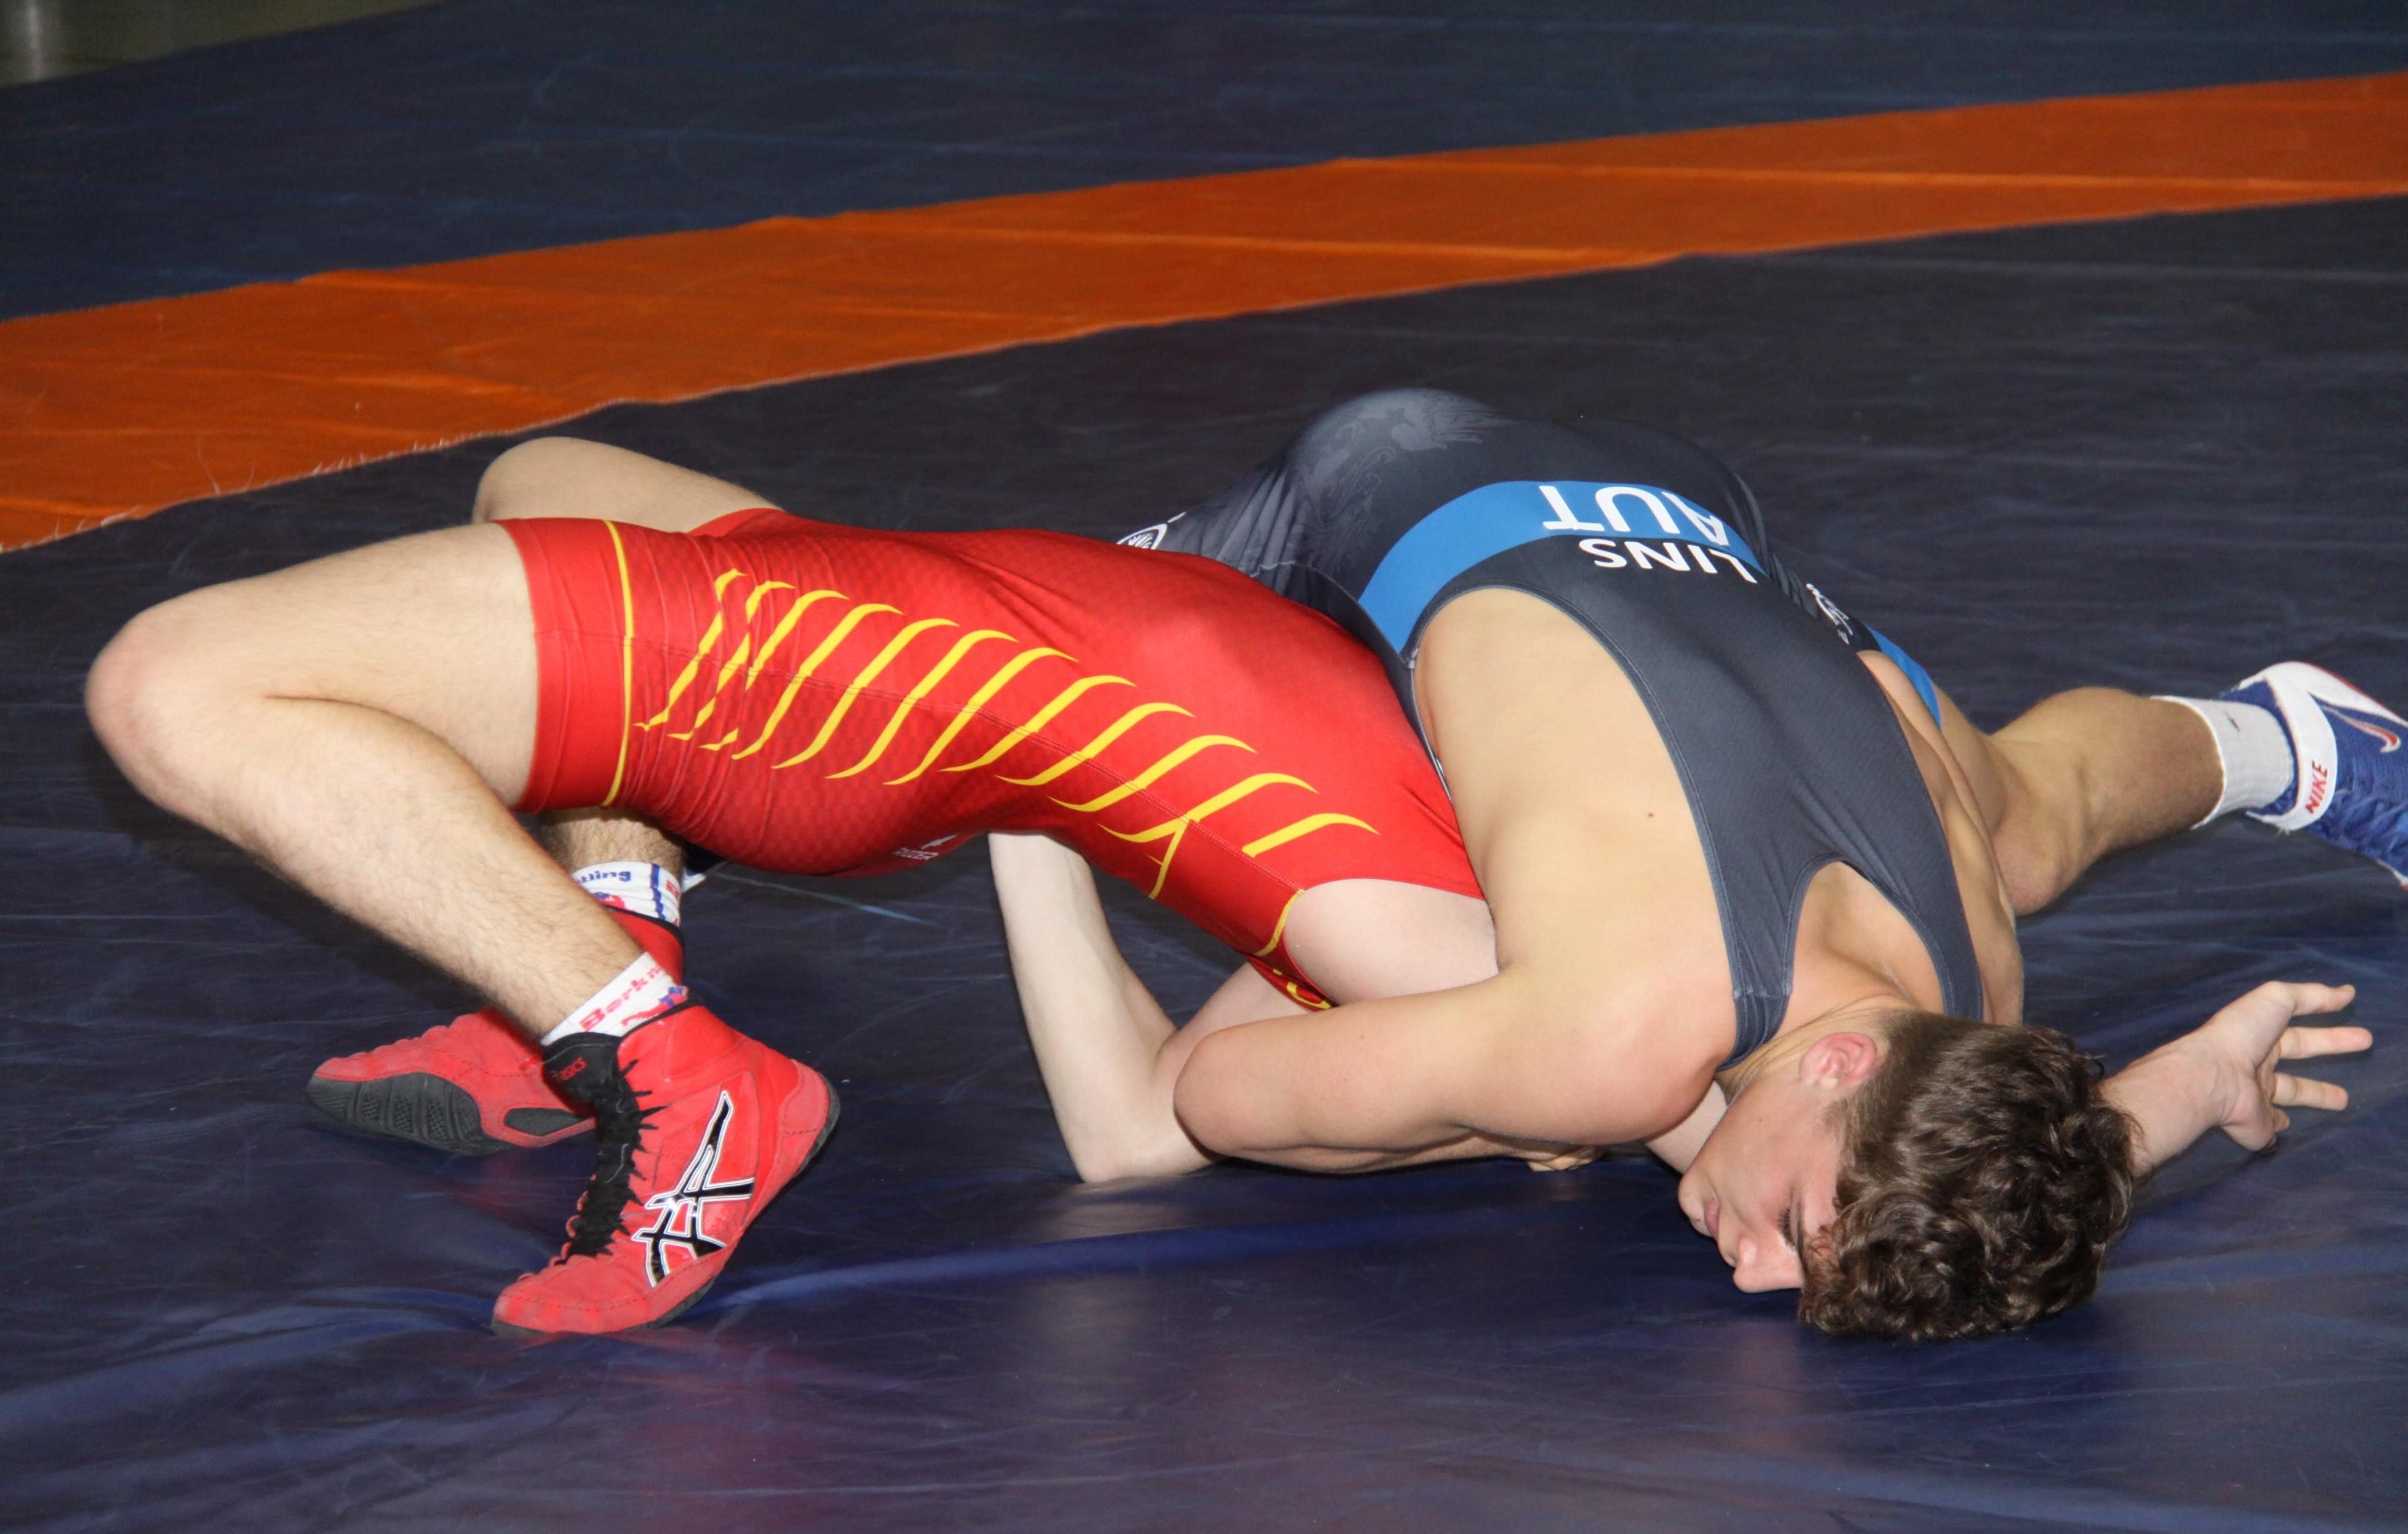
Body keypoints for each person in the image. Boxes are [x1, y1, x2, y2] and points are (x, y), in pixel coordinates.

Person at [84, 416, 2374, 1341]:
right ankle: (632, 1023)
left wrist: (2161, 1093)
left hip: (1667, 555)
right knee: (229, 669)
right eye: (1796, 1226)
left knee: (2028, 797)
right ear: (1853, 1071)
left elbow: (1898, 1117)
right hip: (1292, 566)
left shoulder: (1960, 977)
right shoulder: (1598, 1038)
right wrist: (1047, 817)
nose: (1755, 1273)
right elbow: (1155, 1119)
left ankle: (2286, 737)